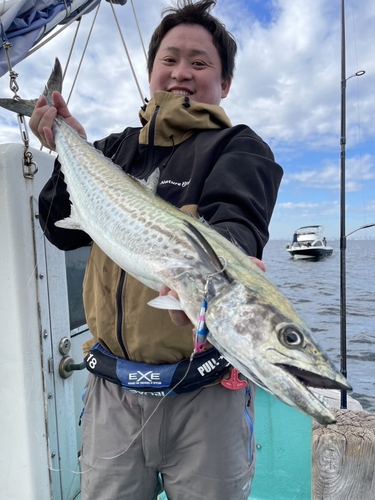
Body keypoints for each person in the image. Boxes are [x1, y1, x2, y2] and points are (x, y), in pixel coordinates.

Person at [30, 1, 283, 499]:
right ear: (151, 71)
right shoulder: (113, 150)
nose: (181, 72)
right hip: (112, 397)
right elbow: (61, 231)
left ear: (225, 82)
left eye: (199, 62)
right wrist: (68, 151)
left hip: (204, 398)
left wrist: (212, 277)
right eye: (169, 59)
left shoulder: (239, 148)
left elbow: (238, 222)